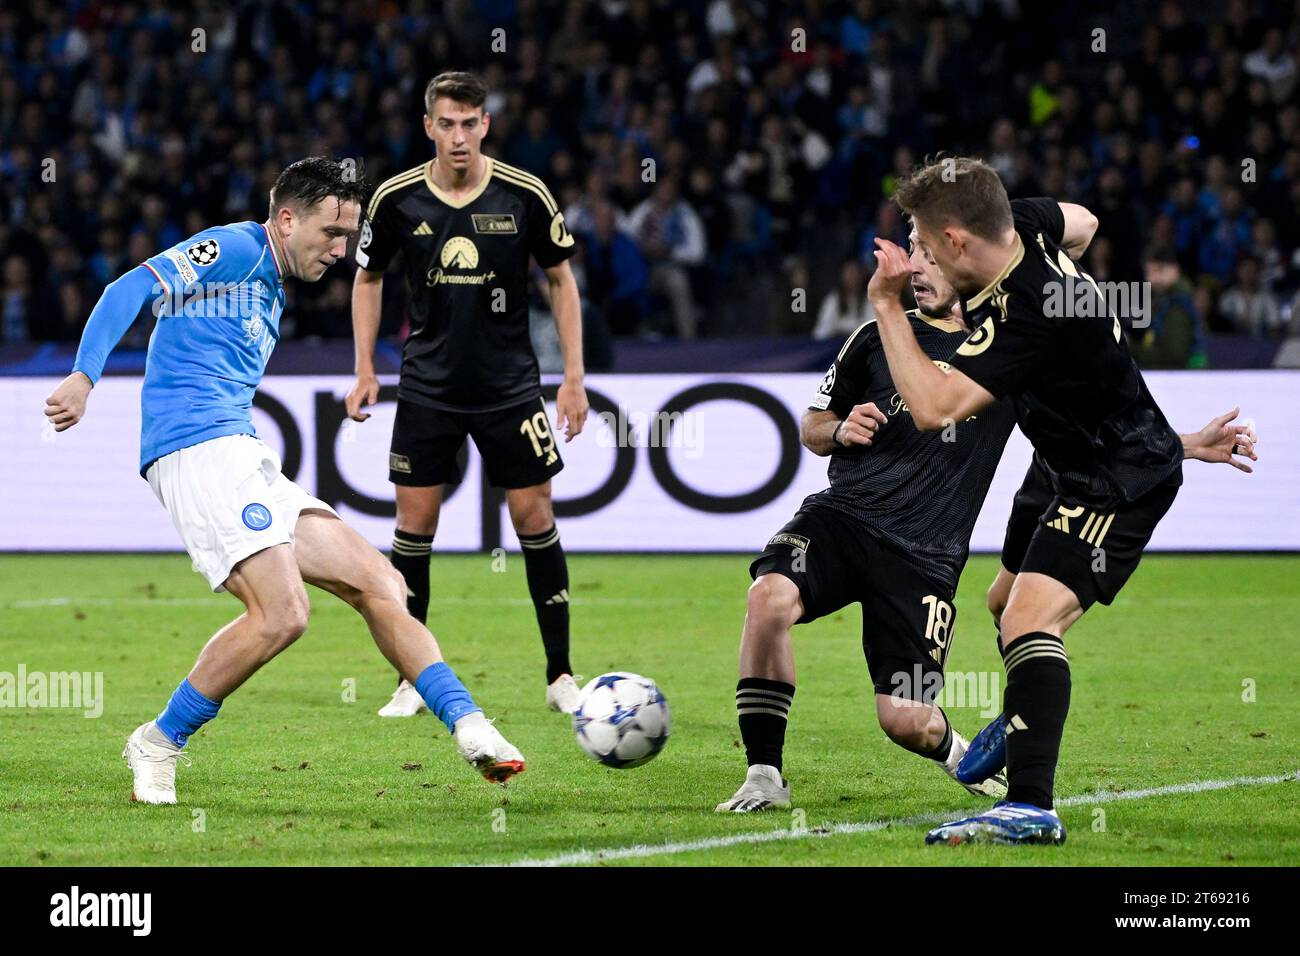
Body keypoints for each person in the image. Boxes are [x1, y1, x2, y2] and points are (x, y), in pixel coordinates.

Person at [716, 211, 1256, 814]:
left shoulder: (1005, 351)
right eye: (911, 255)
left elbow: (1079, 427)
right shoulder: (875, 337)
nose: (917, 269)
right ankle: (764, 772)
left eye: (928, 256)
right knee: (768, 598)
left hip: (925, 558)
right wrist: (840, 428)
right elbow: (811, 426)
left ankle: (963, 754)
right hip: (842, 518)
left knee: (906, 719)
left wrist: (1180, 443)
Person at [43, 158, 525, 804]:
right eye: (330, 233)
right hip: (194, 448)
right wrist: (84, 375)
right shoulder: (238, 248)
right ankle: (160, 740)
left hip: (240, 450)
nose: (341, 251)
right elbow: (128, 289)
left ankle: (471, 725)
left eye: (348, 238)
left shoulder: (271, 282)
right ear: (288, 219)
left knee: (383, 582)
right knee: (284, 612)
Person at [870, 157, 1256, 845]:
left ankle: (1030, 806)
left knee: (1026, 621)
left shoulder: (1025, 314)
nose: (918, 258)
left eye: (926, 245)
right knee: (999, 602)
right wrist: (1182, 440)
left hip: (1114, 477)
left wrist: (883, 306)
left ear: (959, 241)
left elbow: (932, 408)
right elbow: (1085, 224)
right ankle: (1025, 714)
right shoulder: (1022, 225)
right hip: (1065, 459)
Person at [345, 72, 590, 718]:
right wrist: (365, 366)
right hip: (427, 388)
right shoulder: (396, 199)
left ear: (486, 124)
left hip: (510, 389)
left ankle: (561, 674)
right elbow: (367, 279)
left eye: (470, 123)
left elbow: (560, 281)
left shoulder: (524, 194)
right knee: (414, 526)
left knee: (535, 520)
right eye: (446, 124)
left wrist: (572, 378)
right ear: (428, 126)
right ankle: (411, 679)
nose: (459, 136)